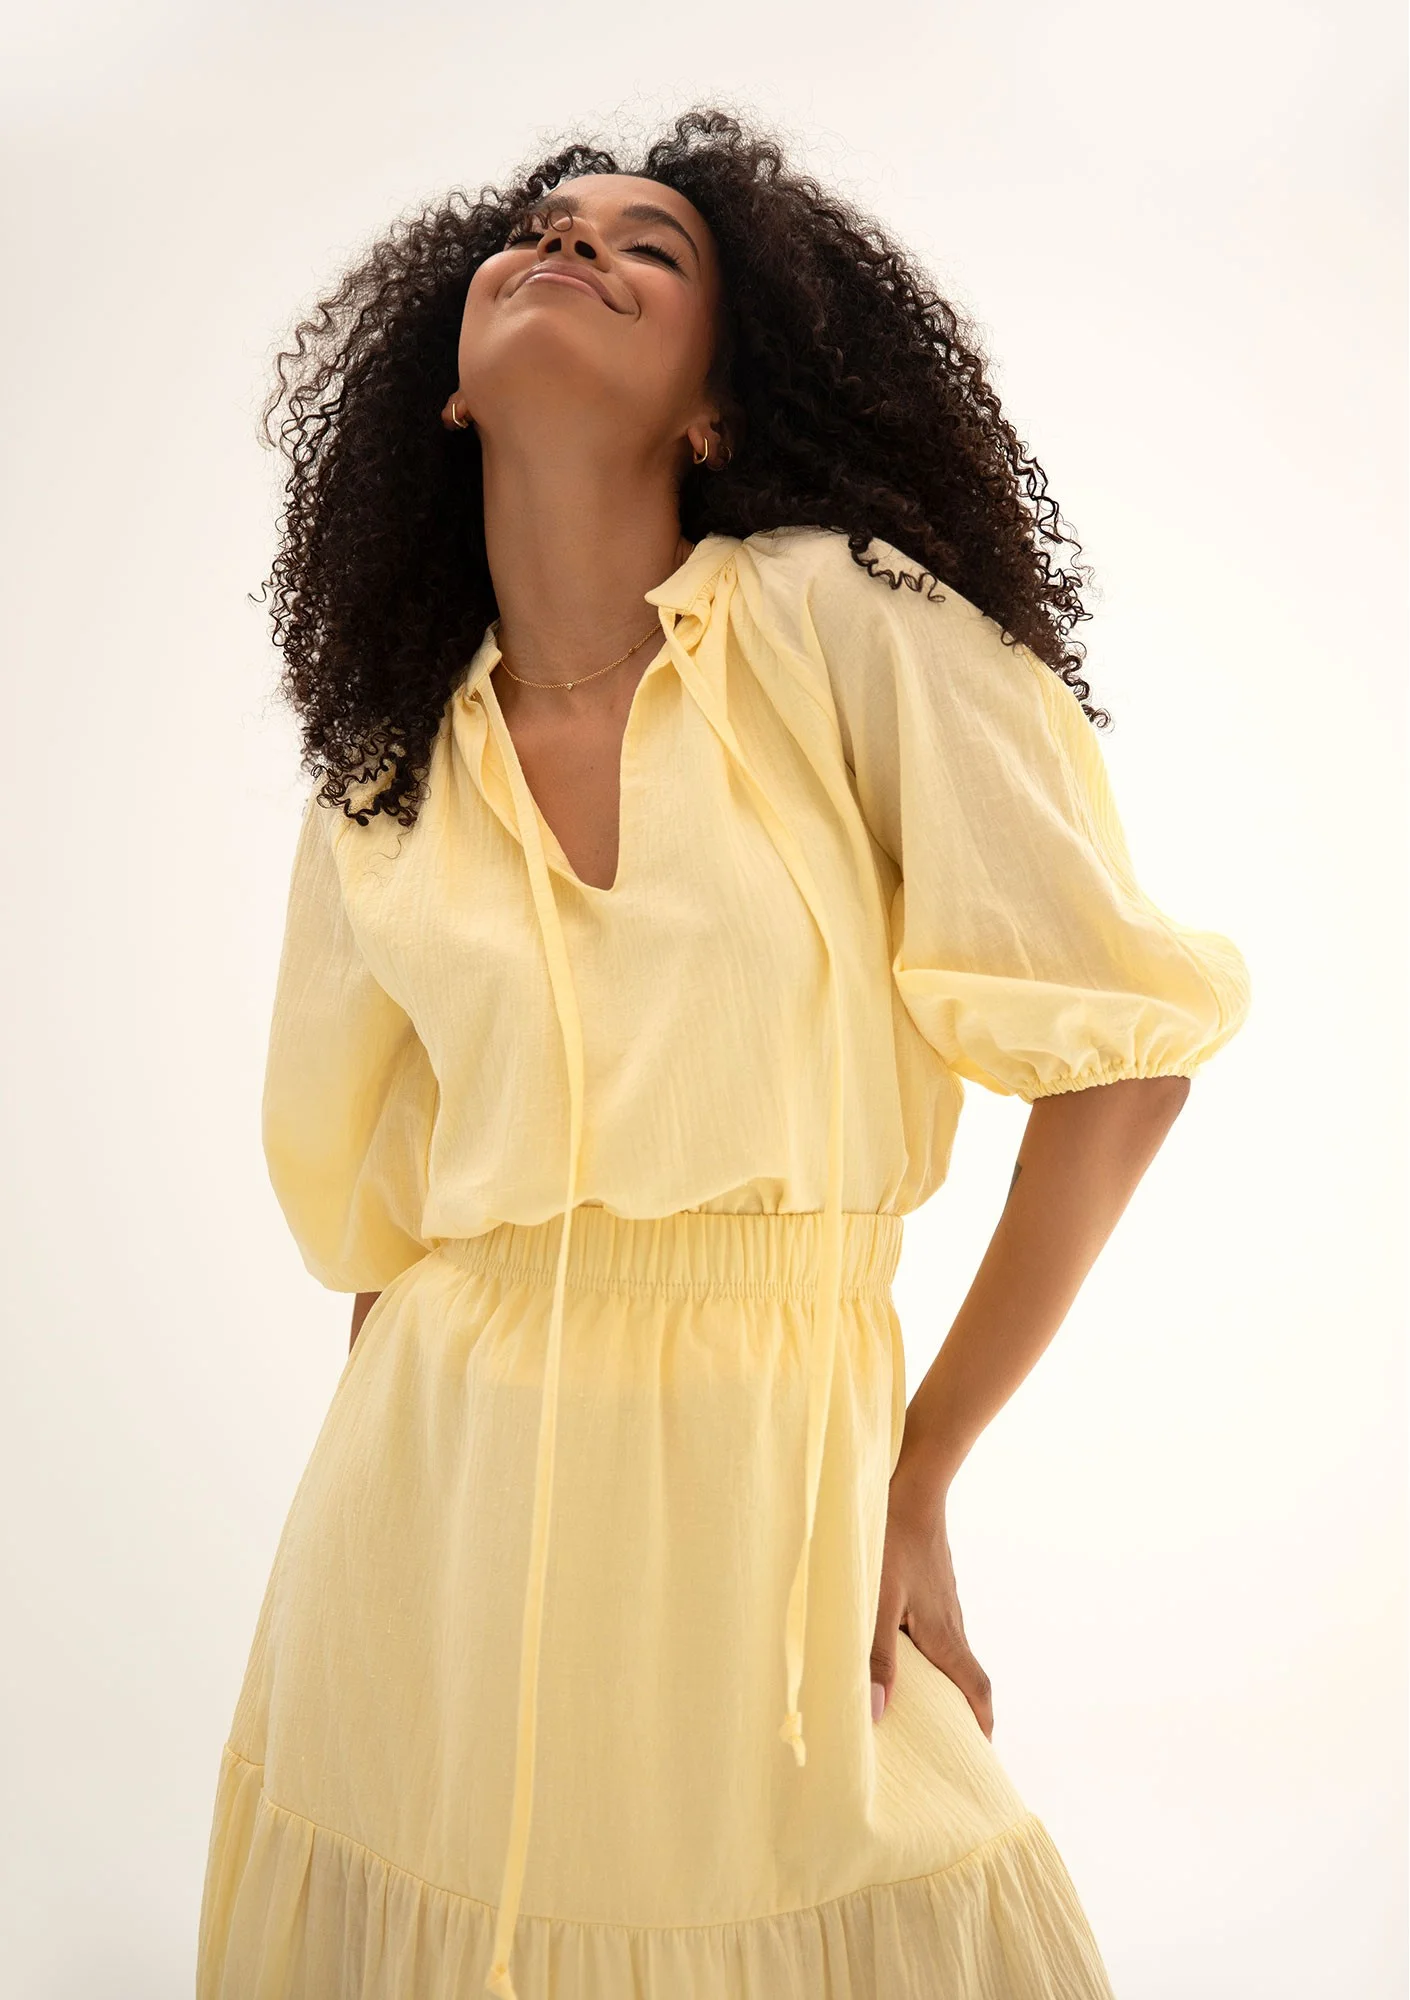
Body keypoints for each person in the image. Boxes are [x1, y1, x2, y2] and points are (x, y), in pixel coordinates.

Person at [196, 108, 1252, 2000]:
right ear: (451, 393)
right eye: (541, 227)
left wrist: (914, 1479)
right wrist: (383, 1563)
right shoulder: (384, 778)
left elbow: (1120, 1066)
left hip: (771, 1486)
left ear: (713, 411)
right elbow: (385, 1238)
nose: (571, 246)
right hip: (426, 1501)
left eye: (646, 246)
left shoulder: (848, 624)